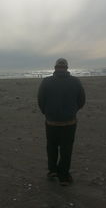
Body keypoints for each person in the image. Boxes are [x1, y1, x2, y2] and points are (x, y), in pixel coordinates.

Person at [38, 58, 85, 186]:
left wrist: (47, 113)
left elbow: (40, 100)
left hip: (51, 121)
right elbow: (82, 100)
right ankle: (63, 176)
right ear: (67, 68)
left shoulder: (46, 81)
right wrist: (73, 111)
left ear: (55, 68)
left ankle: (53, 170)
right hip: (69, 122)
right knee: (66, 149)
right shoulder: (75, 81)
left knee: (52, 147)